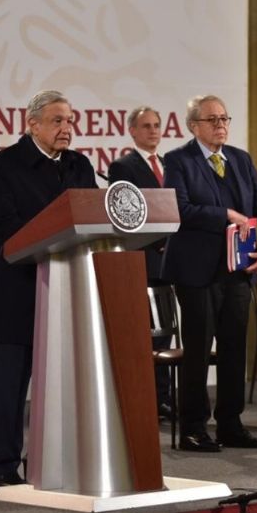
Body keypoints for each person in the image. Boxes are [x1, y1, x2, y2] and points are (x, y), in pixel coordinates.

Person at [0, 90, 97, 489]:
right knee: (11, 389)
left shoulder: (80, 166)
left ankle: (49, 464)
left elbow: (92, 219)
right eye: (57, 121)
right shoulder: (4, 166)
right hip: (19, 292)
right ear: (31, 124)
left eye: (70, 120)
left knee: (61, 388)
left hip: (67, 292)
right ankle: (3, 468)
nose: (67, 129)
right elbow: (4, 226)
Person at [161, 95, 257, 452]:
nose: (220, 125)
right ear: (193, 125)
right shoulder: (178, 160)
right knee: (198, 349)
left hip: (238, 270)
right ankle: (193, 427)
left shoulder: (241, 160)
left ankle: (231, 423)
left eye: (224, 118)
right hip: (197, 271)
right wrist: (225, 215)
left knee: (233, 349)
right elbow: (180, 208)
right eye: (212, 119)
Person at [107, 106, 173, 421]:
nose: (153, 131)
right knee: (147, 334)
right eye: (146, 126)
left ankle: (164, 398)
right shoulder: (123, 166)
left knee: (167, 333)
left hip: (173, 262)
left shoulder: (171, 164)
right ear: (132, 131)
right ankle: (147, 399)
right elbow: (126, 215)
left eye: (157, 125)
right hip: (144, 260)